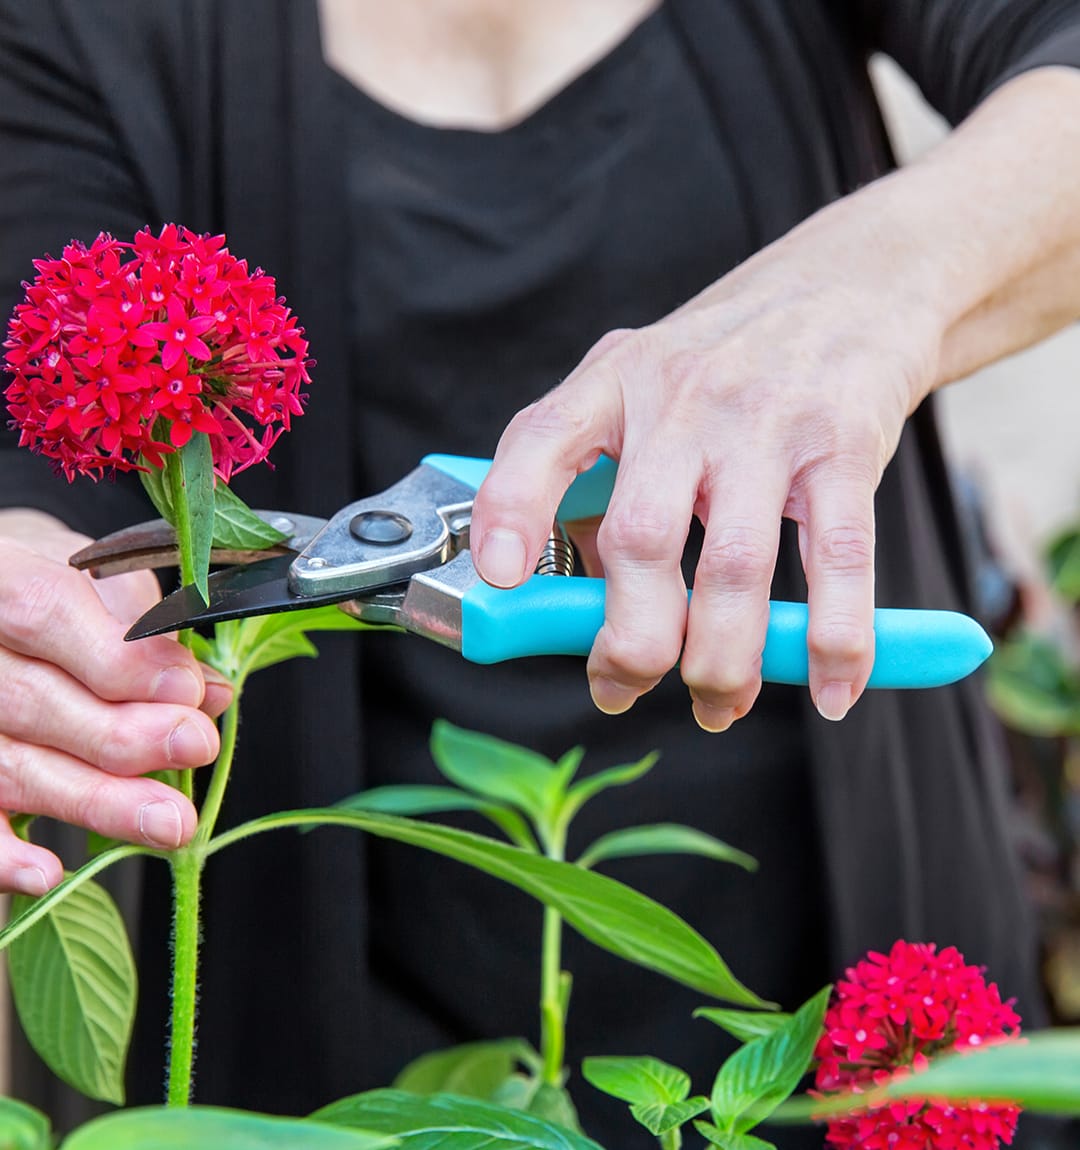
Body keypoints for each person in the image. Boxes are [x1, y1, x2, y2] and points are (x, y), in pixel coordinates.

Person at [1, 1, 1079, 1144]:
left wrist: (859, 294)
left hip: (844, 983)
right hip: (325, 1059)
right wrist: (33, 600)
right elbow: (44, 437)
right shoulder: (70, 25)